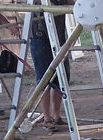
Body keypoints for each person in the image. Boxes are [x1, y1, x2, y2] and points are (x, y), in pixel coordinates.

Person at [30, 0, 75, 128]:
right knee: (44, 80)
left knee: (61, 78)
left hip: (58, 37)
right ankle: (47, 117)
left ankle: (56, 115)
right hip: (40, 37)